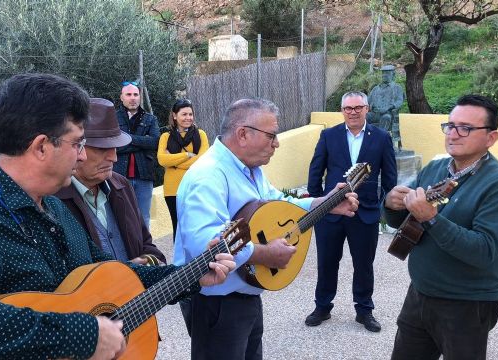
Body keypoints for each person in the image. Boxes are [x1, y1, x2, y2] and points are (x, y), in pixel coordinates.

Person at [0, 73, 235, 360]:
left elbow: (111, 273)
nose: (82, 156)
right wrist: (83, 334)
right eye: (77, 144)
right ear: (42, 146)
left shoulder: (54, 209)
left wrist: (189, 275)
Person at [173, 98, 360, 360]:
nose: (277, 143)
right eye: (271, 135)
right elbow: (206, 244)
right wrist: (264, 254)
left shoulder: (250, 169)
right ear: (243, 134)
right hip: (217, 303)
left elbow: (279, 205)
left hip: (245, 293)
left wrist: (323, 204)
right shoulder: (208, 175)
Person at [383, 94, 498, 360]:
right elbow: (403, 223)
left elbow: (483, 251)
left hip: (468, 304)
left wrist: (432, 218)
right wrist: (391, 205)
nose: (454, 134)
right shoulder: (436, 169)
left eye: (466, 128)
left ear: (491, 138)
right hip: (420, 293)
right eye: (450, 125)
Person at [304, 91, 397, 333]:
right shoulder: (328, 135)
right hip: (330, 212)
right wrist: (317, 203)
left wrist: (386, 207)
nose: (353, 112)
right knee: (326, 262)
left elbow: (390, 178)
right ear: (342, 111)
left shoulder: (381, 137)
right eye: (348, 108)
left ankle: (364, 310)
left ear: (367, 109)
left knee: (364, 264)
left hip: (364, 212)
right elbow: (315, 172)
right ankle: (322, 306)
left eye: (358, 108)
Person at [56, 97, 167, 265]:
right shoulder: (52, 199)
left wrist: (147, 263)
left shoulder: (121, 185)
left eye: (115, 147)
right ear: (76, 146)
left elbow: (147, 245)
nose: (114, 157)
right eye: (102, 149)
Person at [157, 99, 209, 239]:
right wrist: (187, 155)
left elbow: (203, 160)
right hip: (173, 190)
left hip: (196, 186)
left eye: (190, 114)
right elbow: (162, 159)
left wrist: (174, 162)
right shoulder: (165, 137)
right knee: (178, 227)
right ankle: (179, 261)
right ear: (174, 116)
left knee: (198, 225)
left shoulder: (201, 135)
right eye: (184, 114)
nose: (188, 118)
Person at [113, 81, 159, 228]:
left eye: (135, 94)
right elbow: (114, 146)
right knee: (120, 216)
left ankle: (144, 250)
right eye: (129, 94)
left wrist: (128, 139)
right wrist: (142, 141)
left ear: (139, 97)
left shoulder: (150, 119)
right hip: (119, 176)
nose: (132, 98)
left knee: (143, 218)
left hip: (144, 176)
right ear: (122, 97)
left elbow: (154, 143)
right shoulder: (113, 118)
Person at [367, 65, 405, 152]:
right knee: (364, 117)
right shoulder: (376, 89)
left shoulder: (397, 88)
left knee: (386, 118)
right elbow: (367, 101)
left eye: (387, 73)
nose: (384, 75)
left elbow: (399, 101)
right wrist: (372, 106)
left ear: (393, 75)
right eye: (383, 73)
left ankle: (379, 143)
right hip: (375, 113)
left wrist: (389, 107)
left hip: (388, 114)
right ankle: (365, 141)